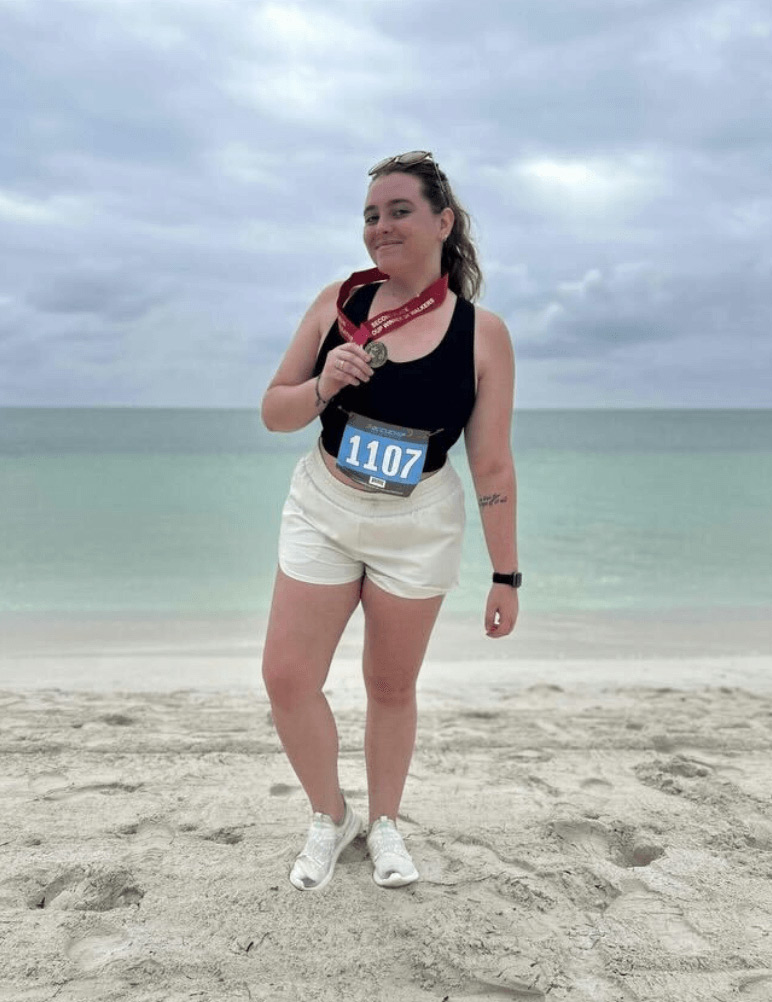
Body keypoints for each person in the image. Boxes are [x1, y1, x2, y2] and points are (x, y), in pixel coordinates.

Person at [260, 151, 520, 891]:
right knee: (286, 677)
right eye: (371, 215)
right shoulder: (337, 303)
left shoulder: (482, 333)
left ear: (444, 222)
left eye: (399, 210)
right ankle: (328, 814)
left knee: (391, 685)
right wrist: (320, 383)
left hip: (419, 522)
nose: (381, 227)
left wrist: (506, 574)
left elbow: (493, 465)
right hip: (325, 505)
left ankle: (385, 824)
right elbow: (274, 411)